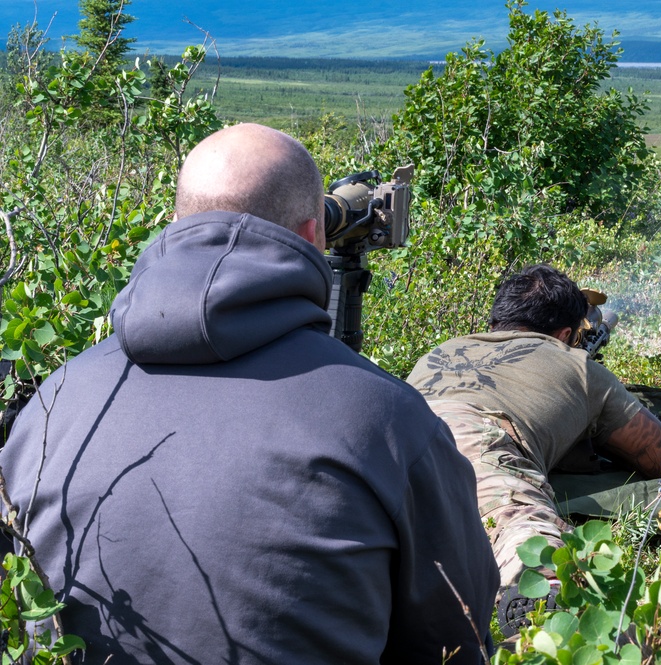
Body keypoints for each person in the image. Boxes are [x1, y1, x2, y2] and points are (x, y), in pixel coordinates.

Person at [0, 123, 499, 664]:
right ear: (314, 235)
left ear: (175, 224)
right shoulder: (389, 419)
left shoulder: (55, 398)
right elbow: (455, 641)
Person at [406, 264, 661, 635]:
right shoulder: (579, 366)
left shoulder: (442, 349)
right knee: (520, 522)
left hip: (393, 435)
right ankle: (541, 591)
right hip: (473, 436)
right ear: (567, 334)